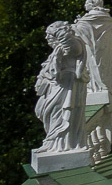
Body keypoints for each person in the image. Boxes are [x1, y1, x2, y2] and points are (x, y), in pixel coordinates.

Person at [34, 21, 86, 153]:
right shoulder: (59, 49)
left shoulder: (73, 45)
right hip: (59, 85)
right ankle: (53, 142)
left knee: (58, 112)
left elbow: (56, 71)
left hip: (66, 85)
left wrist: (56, 59)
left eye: (49, 35)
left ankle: (61, 144)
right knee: (49, 111)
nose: (47, 38)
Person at [73, 0, 112, 103]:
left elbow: (80, 32)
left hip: (92, 48)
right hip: (106, 48)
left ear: (92, 5)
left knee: (94, 66)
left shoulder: (89, 18)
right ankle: (106, 86)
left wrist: (76, 25)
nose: (85, 6)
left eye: (86, 3)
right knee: (106, 66)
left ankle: (98, 87)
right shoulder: (106, 17)